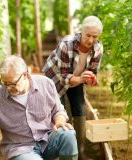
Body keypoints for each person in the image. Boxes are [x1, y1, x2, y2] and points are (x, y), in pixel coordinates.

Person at [0, 55, 78, 160]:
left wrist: (59, 122)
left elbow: (58, 110)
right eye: (5, 83)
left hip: (47, 140)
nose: (8, 88)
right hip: (20, 149)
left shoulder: (46, 84)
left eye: (13, 84)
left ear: (25, 75)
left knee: (68, 135)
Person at [42, 15, 103, 160]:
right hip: (56, 79)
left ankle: (79, 151)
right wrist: (81, 78)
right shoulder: (66, 44)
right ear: (81, 32)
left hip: (77, 78)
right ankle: (57, 152)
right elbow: (64, 77)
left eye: (95, 37)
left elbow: (93, 71)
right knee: (58, 112)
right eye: (88, 35)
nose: (90, 40)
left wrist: (91, 79)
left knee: (80, 110)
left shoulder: (98, 48)